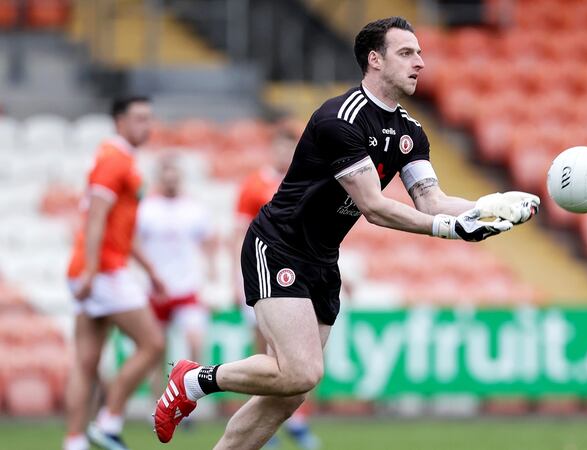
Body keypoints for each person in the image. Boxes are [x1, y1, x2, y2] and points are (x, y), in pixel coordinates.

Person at [155, 17, 538, 449]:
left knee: (293, 389)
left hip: (322, 258)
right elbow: (374, 207)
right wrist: (453, 229)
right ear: (375, 60)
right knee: (300, 372)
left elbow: (432, 200)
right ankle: (194, 379)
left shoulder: (410, 132)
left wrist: (489, 207)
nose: (420, 63)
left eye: (420, 53)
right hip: (278, 246)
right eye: (407, 53)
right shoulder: (340, 118)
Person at [64, 97, 166, 450]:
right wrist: (93, 268)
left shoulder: (119, 159)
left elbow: (123, 226)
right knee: (153, 343)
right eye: (139, 118)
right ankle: (108, 422)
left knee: (86, 361)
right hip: (104, 269)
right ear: (119, 121)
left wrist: (150, 268)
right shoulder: (114, 159)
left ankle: (74, 441)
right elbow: (96, 217)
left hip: (94, 267)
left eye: (149, 119)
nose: (146, 126)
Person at [234, 128, 320, 450]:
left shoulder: (303, 182)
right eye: (282, 149)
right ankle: (263, 425)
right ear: (273, 150)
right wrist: (236, 277)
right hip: (263, 272)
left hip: (299, 275)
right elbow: (240, 232)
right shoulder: (255, 185)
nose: (286, 155)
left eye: (291, 149)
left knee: (299, 355)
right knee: (265, 351)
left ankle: (294, 419)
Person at [137, 154, 214, 371]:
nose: (170, 182)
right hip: (156, 289)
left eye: (174, 178)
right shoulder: (146, 209)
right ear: (158, 179)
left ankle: (193, 394)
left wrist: (211, 270)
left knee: (196, 341)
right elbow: (134, 244)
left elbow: (208, 240)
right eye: (166, 178)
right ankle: (158, 399)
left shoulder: (194, 208)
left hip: (186, 286)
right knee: (156, 348)